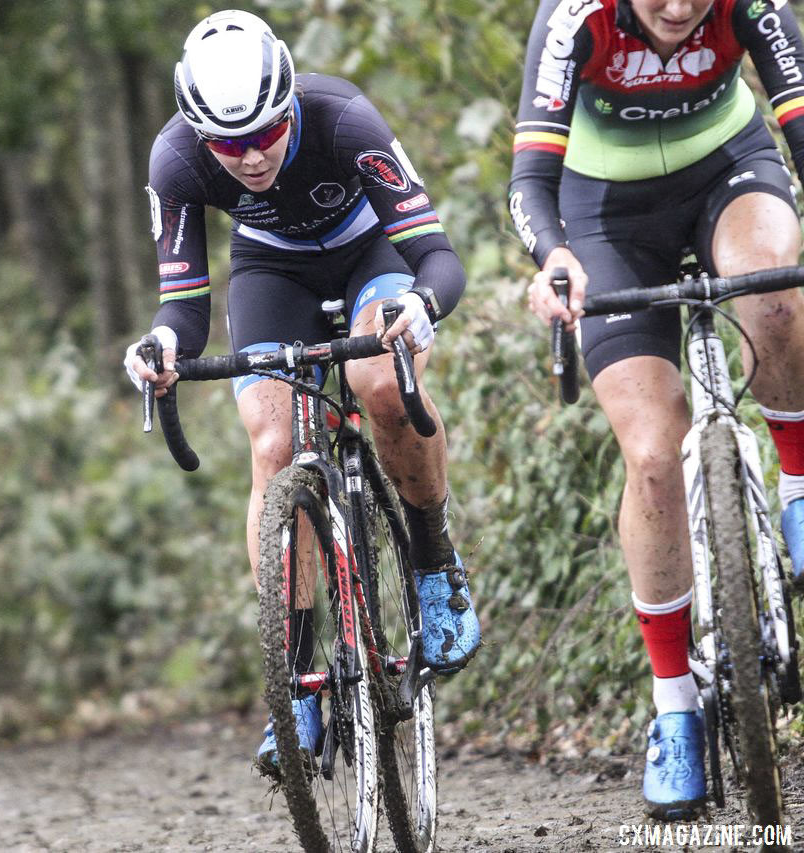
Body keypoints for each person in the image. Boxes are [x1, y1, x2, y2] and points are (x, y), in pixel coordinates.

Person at [124, 9, 479, 769]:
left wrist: (420, 305)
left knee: (378, 381)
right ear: (199, 135)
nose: (249, 157)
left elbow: (437, 255)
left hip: (370, 251)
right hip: (271, 271)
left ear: (289, 106)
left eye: (264, 134)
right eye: (229, 144)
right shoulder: (176, 161)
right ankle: (300, 679)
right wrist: (159, 344)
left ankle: (432, 559)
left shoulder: (344, 119)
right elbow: (182, 306)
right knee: (273, 438)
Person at [511, 0, 804, 820]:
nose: (679, 9)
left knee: (774, 294)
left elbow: (799, 110)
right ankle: (673, 703)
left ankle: (797, 486)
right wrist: (553, 256)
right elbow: (529, 178)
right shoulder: (575, 19)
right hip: (606, 214)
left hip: (730, 170)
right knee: (651, 456)